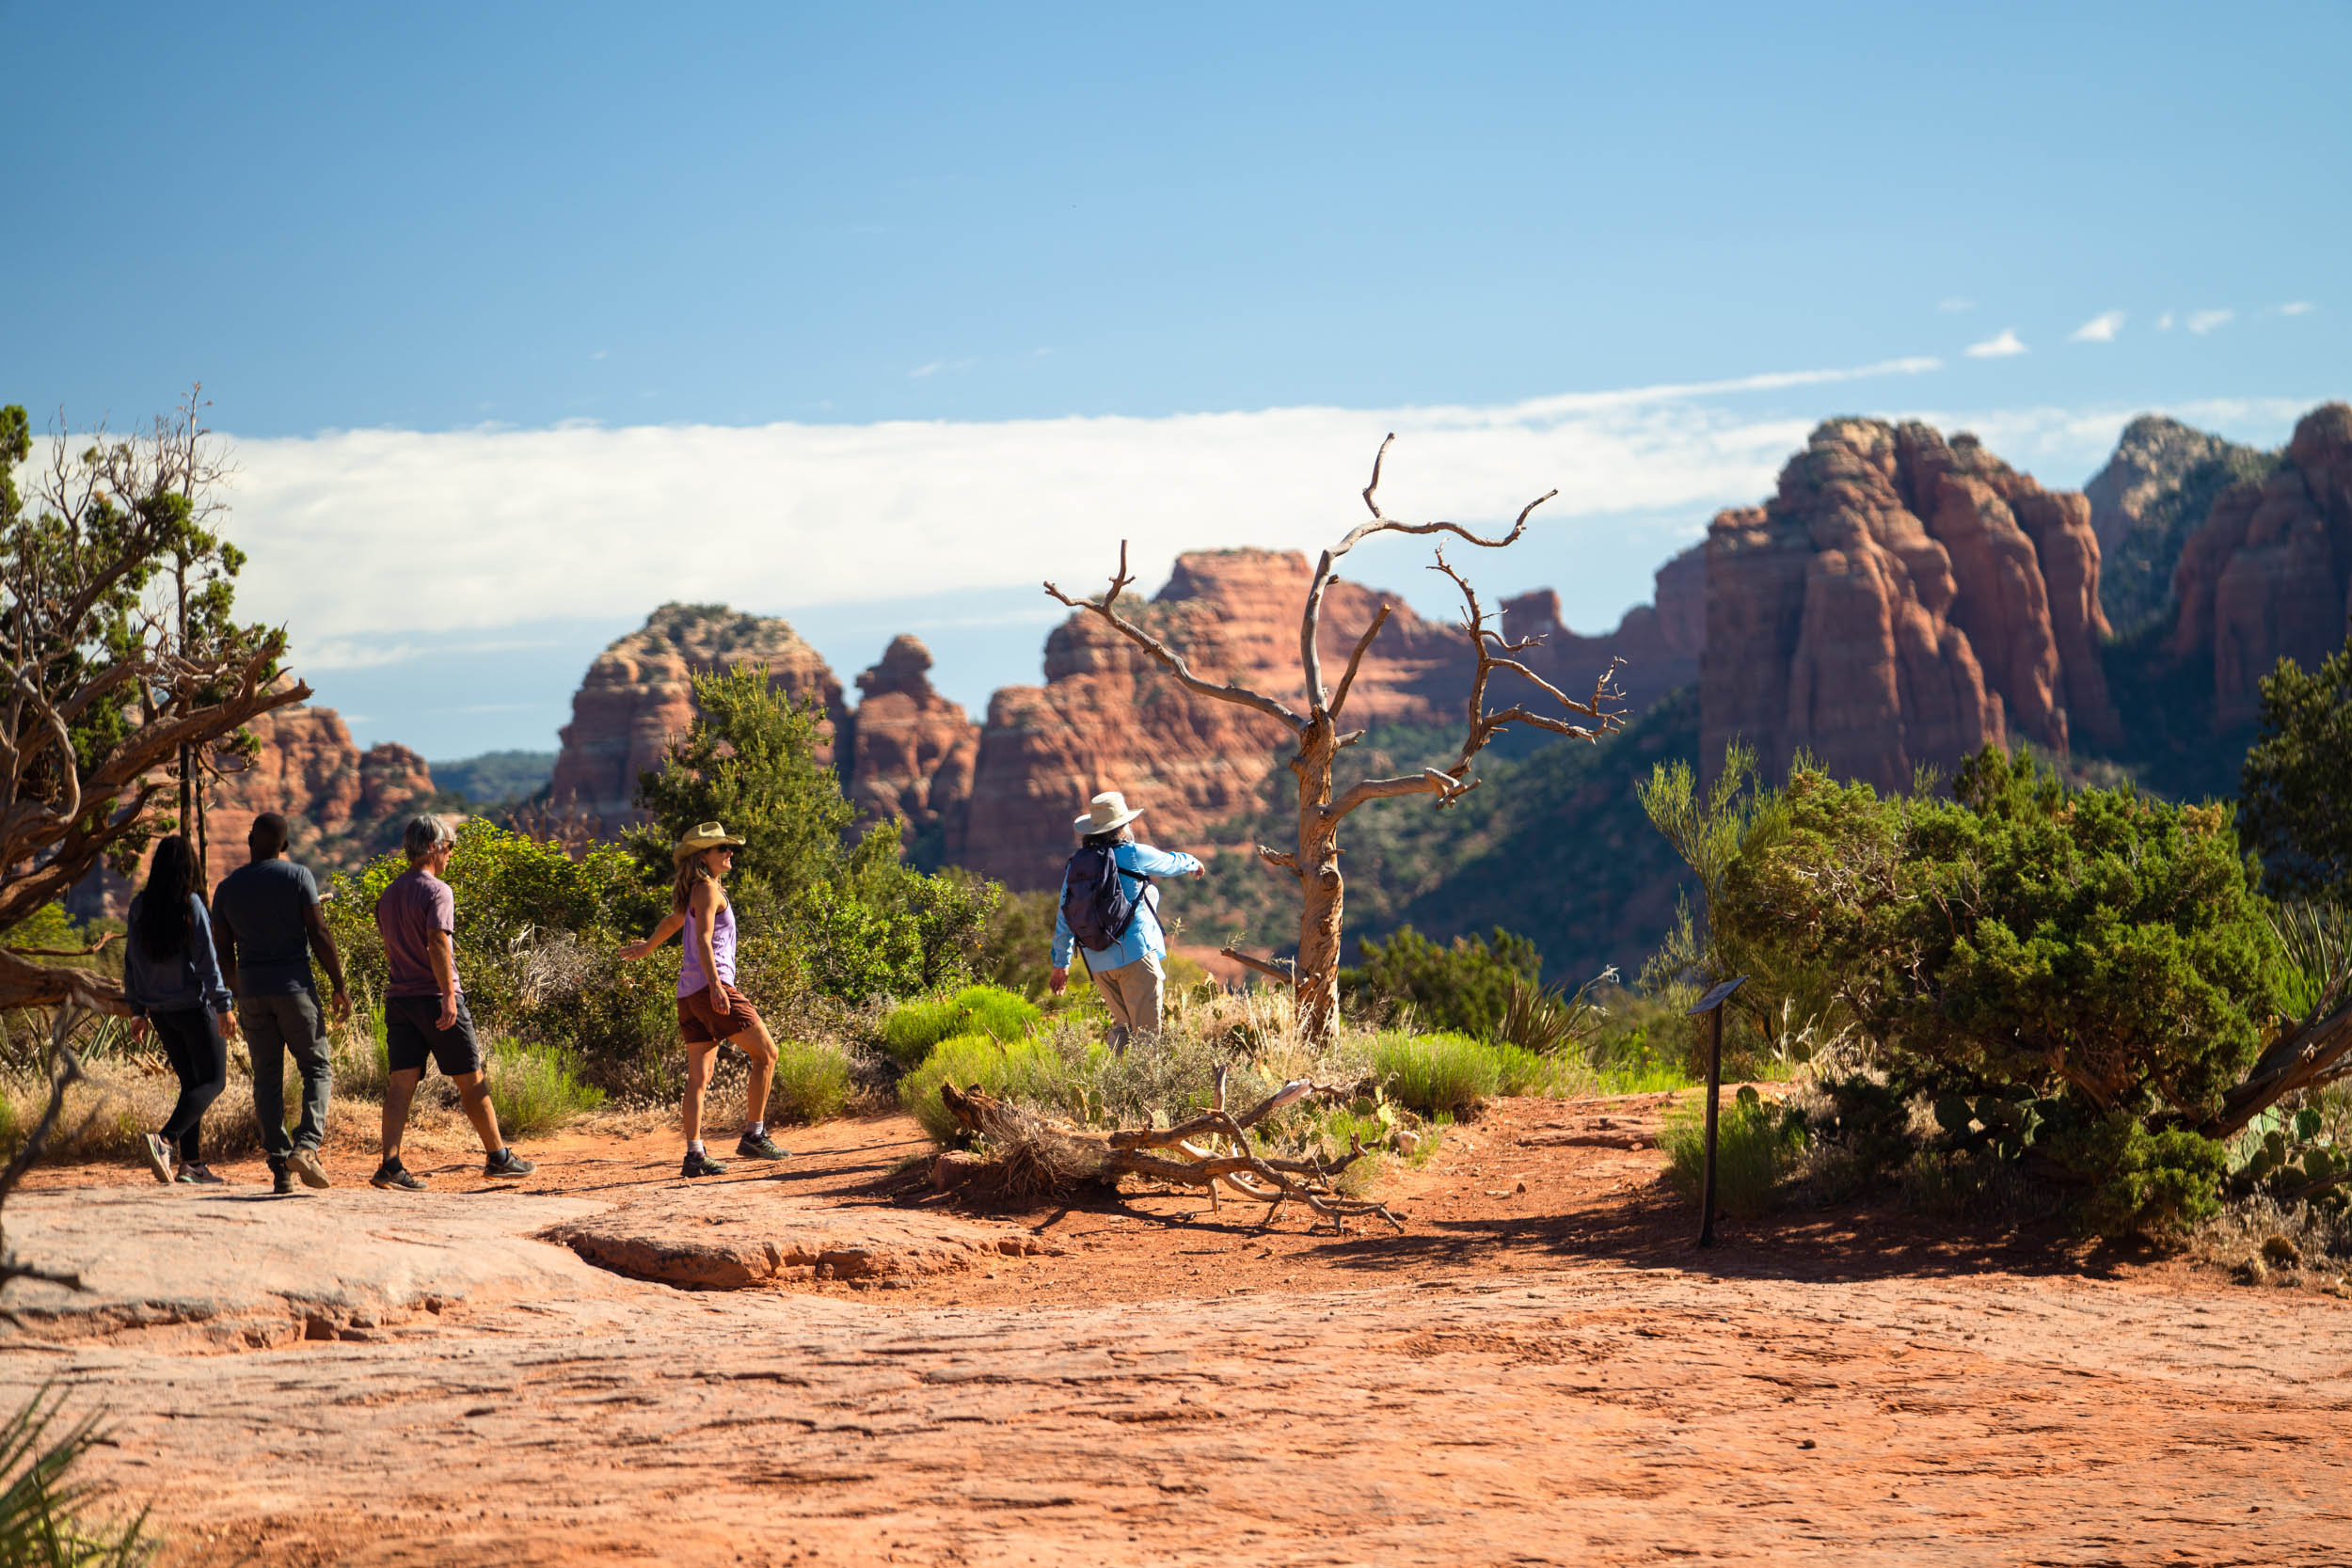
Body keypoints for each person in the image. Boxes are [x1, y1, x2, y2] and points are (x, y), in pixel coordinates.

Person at [369, 815, 533, 1190]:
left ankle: (390, 1165)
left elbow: (392, 945)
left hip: (399, 1000)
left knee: (400, 1084)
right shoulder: (438, 891)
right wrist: (447, 996)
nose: (450, 855)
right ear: (432, 848)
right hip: (435, 998)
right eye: (449, 847)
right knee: (471, 1080)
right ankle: (499, 1158)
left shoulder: (389, 894)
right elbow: (438, 942)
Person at [618, 822, 788, 1179]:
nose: (729, 854)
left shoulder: (696, 891)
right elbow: (704, 940)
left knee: (700, 1075)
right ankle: (754, 1135)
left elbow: (672, 921)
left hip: (687, 995)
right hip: (713, 988)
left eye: (729, 848)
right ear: (703, 856)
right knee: (767, 1054)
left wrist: (646, 947)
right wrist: (716, 986)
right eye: (721, 849)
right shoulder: (709, 891)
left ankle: (695, 1155)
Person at [212, 812, 352, 1197]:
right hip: (296, 991)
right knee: (317, 1067)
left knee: (267, 1080)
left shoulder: (227, 888)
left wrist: (238, 992)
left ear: (250, 840)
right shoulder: (298, 877)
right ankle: (306, 1147)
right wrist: (340, 985)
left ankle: (280, 1170)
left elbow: (222, 950)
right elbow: (318, 932)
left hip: (254, 995)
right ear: (284, 846)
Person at [125, 835, 241, 1185]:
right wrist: (223, 1006)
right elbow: (208, 962)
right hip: (193, 1007)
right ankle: (165, 1140)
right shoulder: (190, 905)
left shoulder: (139, 906)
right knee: (214, 1081)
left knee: (192, 1083)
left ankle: (192, 1165)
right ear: (187, 866)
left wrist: (137, 1011)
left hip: (160, 1012)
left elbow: (132, 962)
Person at [1049, 791, 1203, 1049]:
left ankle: (1113, 1084)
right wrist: (1193, 862)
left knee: (1124, 1028)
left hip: (1098, 962)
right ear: (1121, 827)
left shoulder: (1077, 864)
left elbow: (1064, 914)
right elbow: (1171, 863)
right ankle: (1144, 1089)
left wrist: (1061, 963)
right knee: (1147, 1037)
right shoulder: (1133, 854)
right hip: (1136, 957)